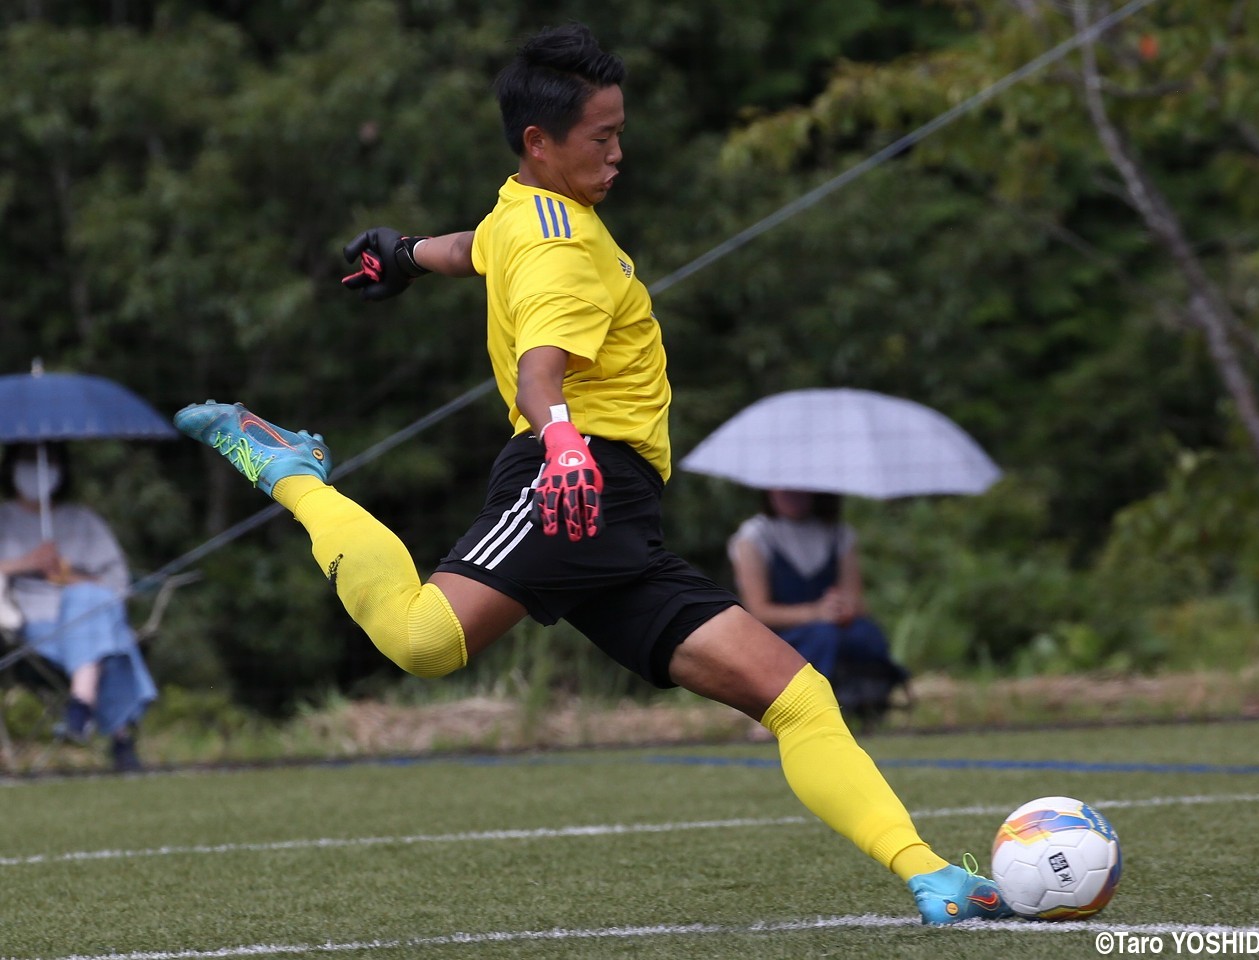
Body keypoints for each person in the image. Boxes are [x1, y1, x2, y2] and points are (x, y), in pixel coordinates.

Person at [174, 23, 1008, 924]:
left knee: (799, 697)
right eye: (599, 138)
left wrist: (409, 253)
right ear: (540, 142)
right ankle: (293, 472)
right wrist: (565, 446)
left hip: (620, 517)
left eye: (619, 131)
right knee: (424, 642)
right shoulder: (561, 248)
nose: (618, 153)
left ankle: (933, 877)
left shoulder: (525, 213)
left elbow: (479, 246)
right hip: (575, 483)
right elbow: (541, 371)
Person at [0, 443, 155, 771]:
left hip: (91, 613)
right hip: (34, 627)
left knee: (86, 598)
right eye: (28, 460)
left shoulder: (83, 520)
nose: (38, 470)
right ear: (12, 466)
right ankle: (120, 738)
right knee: (112, 643)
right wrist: (28, 562)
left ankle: (81, 704)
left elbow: (116, 584)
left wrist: (70, 575)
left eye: (47, 461)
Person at [728, 489, 909, 726]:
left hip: (834, 627)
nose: (790, 494)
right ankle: (791, 709)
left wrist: (842, 607)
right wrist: (815, 612)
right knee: (823, 637)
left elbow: (856, 600)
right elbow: (757, 610)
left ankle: (869, 702)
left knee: (866, 634)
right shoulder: (755, 536)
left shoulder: (838, 533)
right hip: (785, 634)